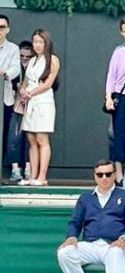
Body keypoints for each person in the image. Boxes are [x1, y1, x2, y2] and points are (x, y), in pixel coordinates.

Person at [19, 29, 60, 186]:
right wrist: (23, 91)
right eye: (35, 42)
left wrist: (31, 93)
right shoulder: (32, 61)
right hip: (30, 102)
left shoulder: (53, 59)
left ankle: (42, 177)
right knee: (31, 139)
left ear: (46, 43)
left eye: (40, 42)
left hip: (43, 101)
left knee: (42, 138)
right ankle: (32, 176)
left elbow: (48, 83)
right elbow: (25, 82)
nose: (37, 45)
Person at [104, 17, 125, 183]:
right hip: (121, 95)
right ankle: (118, 171)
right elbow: (112, 75)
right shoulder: (119, 52)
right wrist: (108, 96)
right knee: (118, 134)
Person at [4, 39, 29, 183]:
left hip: (32, 106)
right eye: (22, 56)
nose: (24, 59)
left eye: (27, 56)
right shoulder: (15, 67)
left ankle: (28, 169)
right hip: (15, 105)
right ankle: (15, 170)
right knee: (13, 138)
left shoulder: (34, 67)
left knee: (30, 139)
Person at [0, 14, 21, 179]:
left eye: (2, 27)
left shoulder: (13, 48)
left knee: (5, 133)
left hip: (5, 97)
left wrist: (5, 73)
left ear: (7, 29)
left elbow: (15, 68)